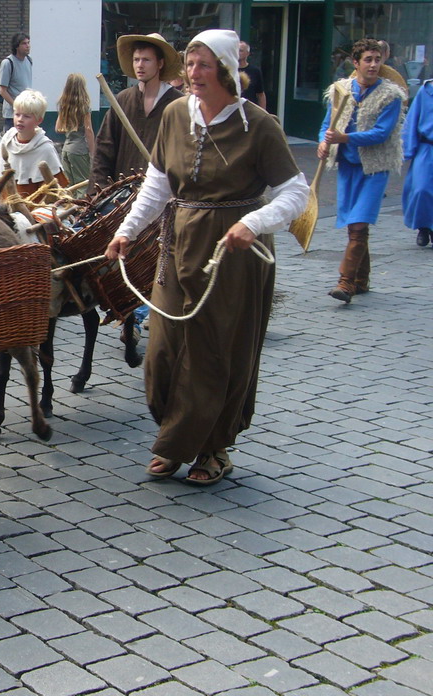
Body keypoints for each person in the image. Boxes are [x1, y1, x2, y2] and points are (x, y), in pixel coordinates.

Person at [105, 29, 308, 485]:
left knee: (214, 351)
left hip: (232, 250)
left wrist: (253, 223)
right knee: (161, 350)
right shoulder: (176, 114)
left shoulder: (258, 125)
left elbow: (296, 193)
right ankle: (177, 436)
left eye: (203, 65)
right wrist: (126, 231)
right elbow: (157, 185)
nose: (193, 73)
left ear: (225, 70)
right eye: (189, 64)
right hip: (177, 243)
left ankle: (212, 449)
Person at [319, 37, 407, 302]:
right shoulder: (340, 90)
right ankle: (362, 279)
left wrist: (344, 138)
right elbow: (327, 125)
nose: (373, 65)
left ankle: (345, 283)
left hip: (375, 166)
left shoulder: (390, 96)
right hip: (348, 165)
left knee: (358, 224)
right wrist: (324, 142)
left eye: (377, 59)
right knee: (354, 225)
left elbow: (381, 133)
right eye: (368, 60)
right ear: (355, 63)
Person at [92, 33, 182, 187]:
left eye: (146, 60)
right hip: (121, 195)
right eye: (136, 59)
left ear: (160, 64)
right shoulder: (122, 100)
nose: (140, 65)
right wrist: (98, 192)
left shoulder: (177, 103)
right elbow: (103, 149)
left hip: (160, 195)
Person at [0, 89, 64, 193]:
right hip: (3, 206)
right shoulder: (7, 140)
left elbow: (55, 192)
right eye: (17, 114)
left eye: (26, 116)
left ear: (39, 120)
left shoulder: (45, 148)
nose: (20, 119)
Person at [403, 79, 433, 247]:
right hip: (427, 148)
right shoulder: (426, 91)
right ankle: (423, 226)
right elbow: (412, 119)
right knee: (421, 189)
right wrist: (408, 148)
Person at [55, 73, 96, 189]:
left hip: (66, 150)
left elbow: (58, 128)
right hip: (80, 150)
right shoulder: (85, 107)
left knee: (70, 188)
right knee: (83, 185)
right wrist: (93, 153)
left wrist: (71, 126)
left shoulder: (64, 105)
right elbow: (88, 130)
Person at [0, 33, 33, 134]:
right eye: (24, 43)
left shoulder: (29, 60)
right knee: (11, 144)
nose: (28, 46)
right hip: (12, 114)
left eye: (28, 43)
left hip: (27, 111)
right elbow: (2, 90)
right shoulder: (8, 63)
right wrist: (16, 106)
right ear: (17, 46)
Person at [237, 41, 267, 110]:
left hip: (249, 111)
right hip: (233, 111)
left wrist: (263, 113)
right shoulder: (230, 70)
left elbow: (260, 94)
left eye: (240, 50)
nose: (237, 53)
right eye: (236, 50)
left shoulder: (255, 71)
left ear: (247, 53)